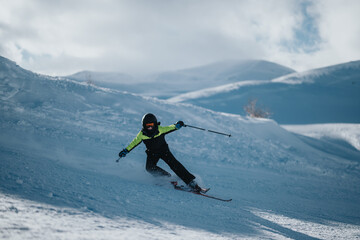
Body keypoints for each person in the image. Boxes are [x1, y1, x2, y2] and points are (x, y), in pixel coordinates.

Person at [118, 113, 202, 192]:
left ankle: (191, 183)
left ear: (155, 124)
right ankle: (166, 178)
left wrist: (177, 125)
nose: (150, 127)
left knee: (174, 164)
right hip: (152, 153)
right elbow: (134, 143)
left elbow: (171, 127)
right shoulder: (141, 134)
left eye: (151, 125)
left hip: (164, 151)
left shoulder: (160, 129)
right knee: (149, 168)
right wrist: (126, 150)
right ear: (144, 125)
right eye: (147, 125)